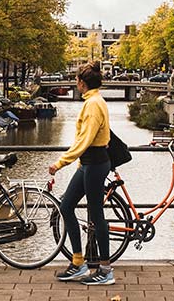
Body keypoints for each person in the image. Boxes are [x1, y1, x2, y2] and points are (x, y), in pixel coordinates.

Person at [49, 62, 114, 286]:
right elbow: (85, 140)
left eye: (77, 80)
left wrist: (60, 163)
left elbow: (85, 141)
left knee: (96, 215)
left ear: (82, 83)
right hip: (87, 164)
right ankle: (79, 263)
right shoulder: (92, 102)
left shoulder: (94, 105)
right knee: (66, 206)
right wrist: (77, 165)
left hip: (95, 164)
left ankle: (105, 270)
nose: (76, 84)